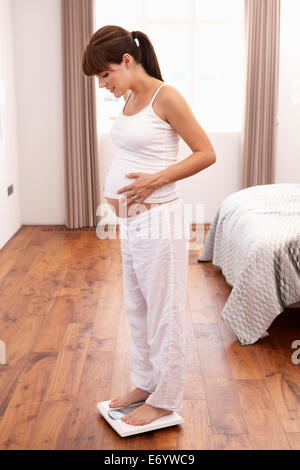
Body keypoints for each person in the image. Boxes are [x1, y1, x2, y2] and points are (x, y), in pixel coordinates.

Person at [82, 25, 216, 427]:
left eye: (105, 75)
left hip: (160, 220)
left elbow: (206, 153)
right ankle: (145, 384)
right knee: (138, 309)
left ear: (126, 60)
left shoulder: (166, 96)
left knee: (165, 312)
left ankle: (166, 398)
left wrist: (156, 180)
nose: (102, 84)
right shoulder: (130, 98)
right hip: (133, 225)